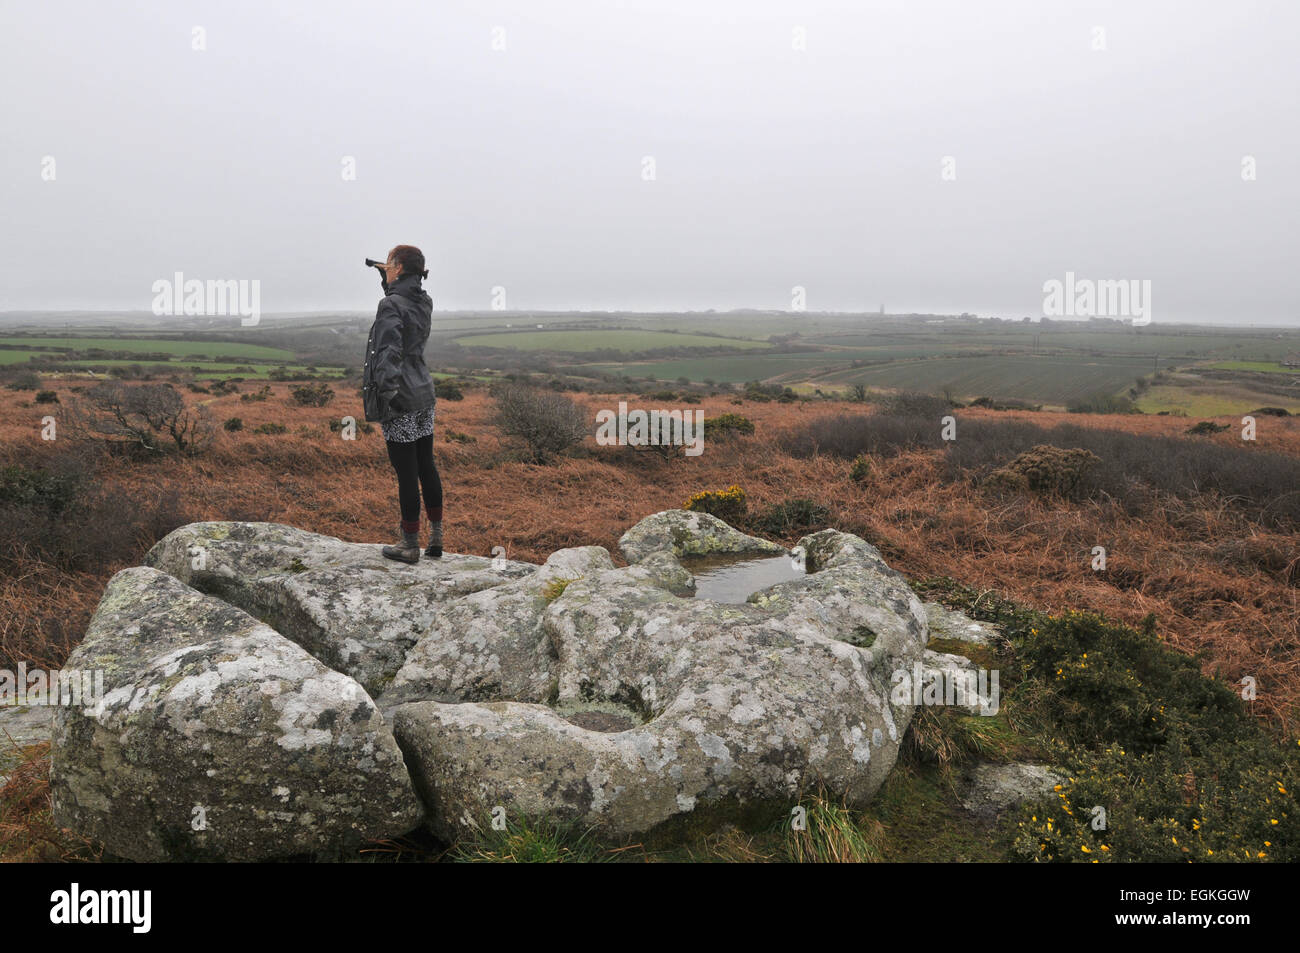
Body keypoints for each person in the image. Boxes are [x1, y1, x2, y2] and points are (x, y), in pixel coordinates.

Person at [362, 245, 443, 563]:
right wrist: (388, 282)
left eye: (390, 264)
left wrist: (386, 396)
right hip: (424, 393)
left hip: (401, 398)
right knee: (426, 465)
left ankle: (409, 544)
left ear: (396, 267)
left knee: (406, 473)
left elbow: (389, 352)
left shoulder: (390, 305)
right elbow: (405, 312)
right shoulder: (424, 301)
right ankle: (435, 539)